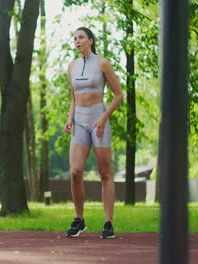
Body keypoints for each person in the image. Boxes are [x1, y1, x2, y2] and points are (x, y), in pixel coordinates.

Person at [64, 27, 123, 239]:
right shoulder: (72, 66)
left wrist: (103, 118)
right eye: (74, 38)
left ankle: (108, 223)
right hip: (79, 121)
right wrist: (70, 118)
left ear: (90, 40)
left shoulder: (102, 63)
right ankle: (79, 220)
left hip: (98, 119)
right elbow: (73, 97)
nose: (77, 41)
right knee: (75, 171)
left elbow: (119, 95)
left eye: (81, 37)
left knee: (105, 172)